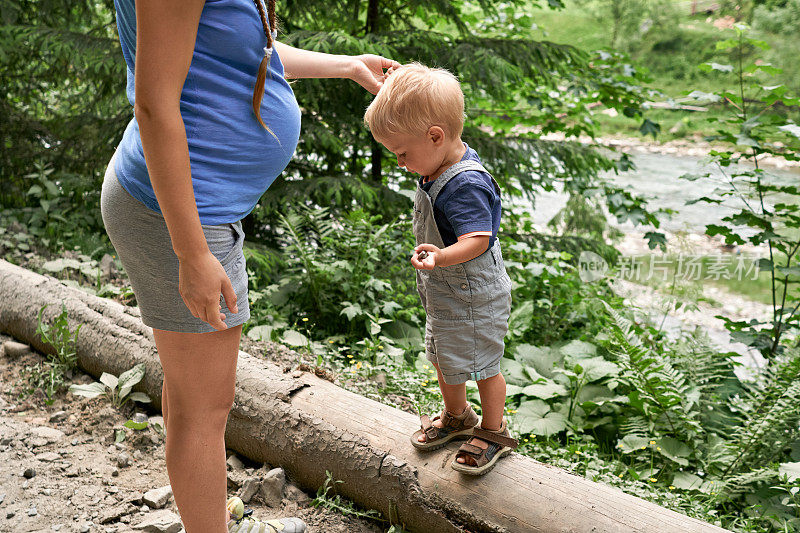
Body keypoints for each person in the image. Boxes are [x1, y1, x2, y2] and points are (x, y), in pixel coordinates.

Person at [100, 0, 400, 530]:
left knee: (193, 396)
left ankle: (204, 510)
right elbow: (152, 104)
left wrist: (346, 64)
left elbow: (236, 54)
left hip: (195, 208)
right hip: (183, 214)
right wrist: (193, 253)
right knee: (204, 410)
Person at [364, 63, 518, 476]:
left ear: (435, 136)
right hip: (446, 292)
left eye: (402, 153)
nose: (398, 163)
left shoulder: (465, 183)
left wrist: (441, 257)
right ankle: (457, 416)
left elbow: (478, 240)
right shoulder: (436, 162)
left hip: (474, 293)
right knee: (443, 356)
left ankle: (492, 429)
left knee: (484, 364)